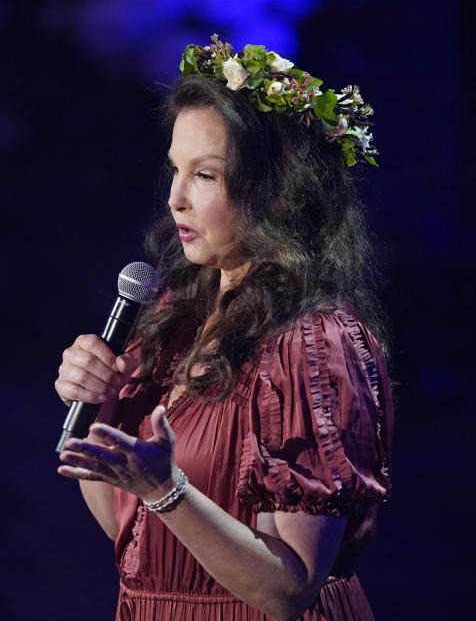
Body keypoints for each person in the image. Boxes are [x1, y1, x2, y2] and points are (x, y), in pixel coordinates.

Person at [54, 35, 393, 621]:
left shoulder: (311, 344)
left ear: (278, 192)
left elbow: (290, 590)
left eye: (205, 175)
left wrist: (166, 489)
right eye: (175, 170)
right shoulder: (173, 323)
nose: (176, 198)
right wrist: (103, 413)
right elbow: (134, 540)